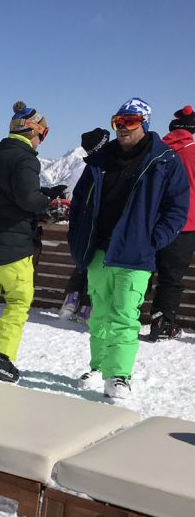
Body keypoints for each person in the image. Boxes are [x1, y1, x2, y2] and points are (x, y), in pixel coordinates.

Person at [68, 98, 189, 399]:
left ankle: (119, 375)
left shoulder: (164, 160)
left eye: (130, 122)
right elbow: (80, 202)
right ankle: (98, 366)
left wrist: (153, 239)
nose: (122, 128)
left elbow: (178, 207)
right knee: (99, 315)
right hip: (99, 252)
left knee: (124, 316)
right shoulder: (100, 161)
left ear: (145, 124)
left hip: (136, 254)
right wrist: (78, 237)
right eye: (117, 122)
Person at [0, 101, 53, 384]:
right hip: (13, 249)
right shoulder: (26, 158)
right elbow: (28, 199)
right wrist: (48, 201)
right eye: (44, 134)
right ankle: (1, 359)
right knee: (17, 302)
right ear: (34, 132)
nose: (41, 141)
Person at [149, 105, 195, 341]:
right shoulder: (193, 152)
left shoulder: (156, 150)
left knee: (141, 271)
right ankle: (162, 323)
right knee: (171, 278)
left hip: (150, 223)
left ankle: (124, 316)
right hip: (184, 226)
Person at [59, 128, 111, 321]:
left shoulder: (86, 167)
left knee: (84, 261)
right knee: (97, 265)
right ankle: (88, 305)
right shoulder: (109, 165)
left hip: (85, 225)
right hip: (104, 226)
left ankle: (72, 299)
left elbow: (77, 199)